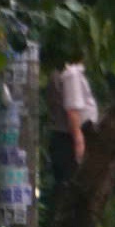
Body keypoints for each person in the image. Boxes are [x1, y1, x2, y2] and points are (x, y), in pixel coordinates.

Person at [46, 62, 98, 192]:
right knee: (73, 186)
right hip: (70, 139)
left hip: (67, 137)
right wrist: (78, 141)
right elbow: (72, 109)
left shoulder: (67, 72)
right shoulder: (71, 73)